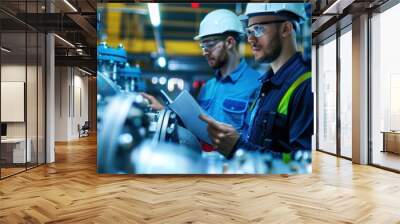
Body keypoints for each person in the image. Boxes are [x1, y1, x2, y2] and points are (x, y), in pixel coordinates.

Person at [200, 3, 313, 159]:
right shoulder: (267, 85)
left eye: (258, 29)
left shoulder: (306, 86)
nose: (250, 39)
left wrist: (238, 148)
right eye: (249, 31)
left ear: (286, 29)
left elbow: (305, 164)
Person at [143, 9, 261, 148]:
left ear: (229, 42)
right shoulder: (208, 87)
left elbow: (257, 140)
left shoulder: (258, 84)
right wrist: (165, 112)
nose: (205, 52)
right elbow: (197, 128)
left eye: (209, 45)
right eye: (203, 46)